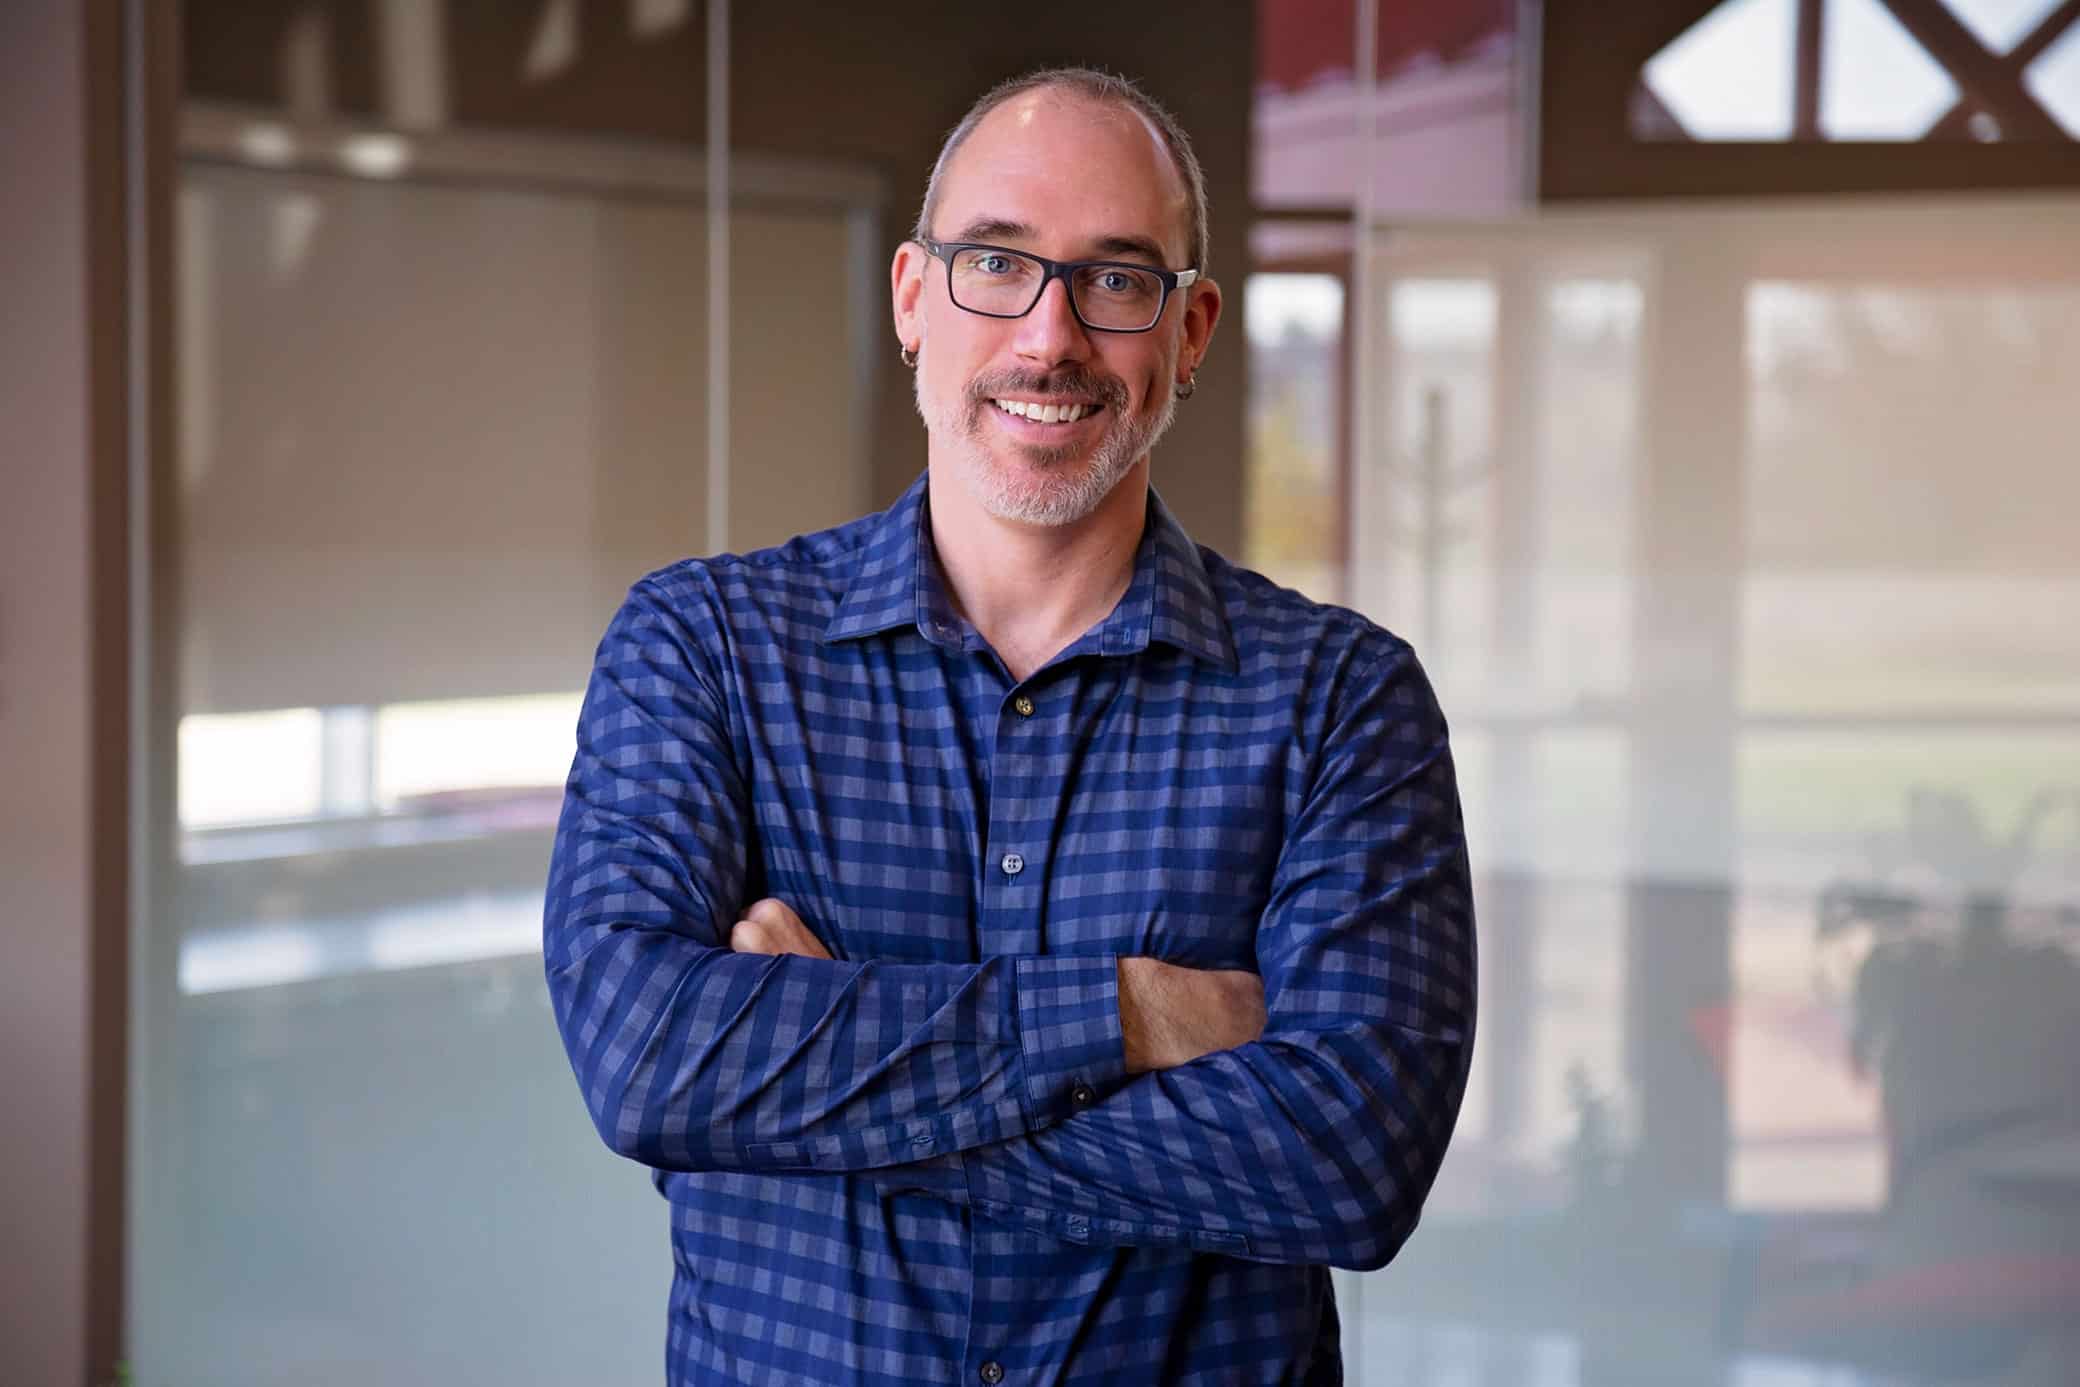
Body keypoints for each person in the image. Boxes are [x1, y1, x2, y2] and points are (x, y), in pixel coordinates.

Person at [543, 66, 1475, 1387]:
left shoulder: (1340, 701)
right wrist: (1128, 1015)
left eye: (1117, 279)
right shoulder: (704, 650)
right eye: (997, 262)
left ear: (1193, 331)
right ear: (914, 298)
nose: (1050, 338)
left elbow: (1348, 1166)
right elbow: (646, 1067)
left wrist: (809, 1080)